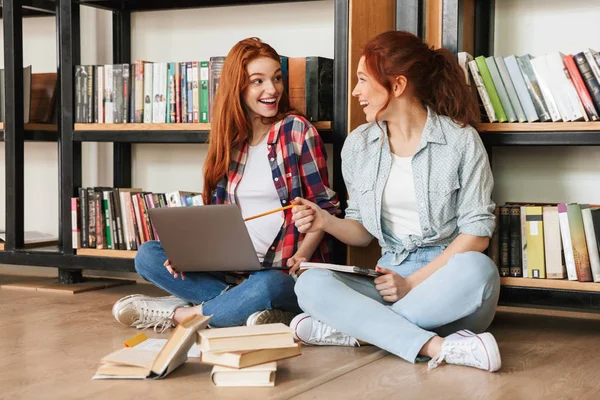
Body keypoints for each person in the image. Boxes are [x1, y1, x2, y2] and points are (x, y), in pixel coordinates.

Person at [289, 31, 501, 372]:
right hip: (388, 278)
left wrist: (412, 284)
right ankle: (438, 345)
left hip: (445, 284)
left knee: (479, 269)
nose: (355, 91)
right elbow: (362, 232)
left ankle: (360, 330)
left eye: (362, 80)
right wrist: (324, 222)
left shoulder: (460, 140)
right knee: (311, 283)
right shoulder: (359, 145)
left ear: (398, 85)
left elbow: (476, 235)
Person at [112, 37, 338, 332]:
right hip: (231, 272)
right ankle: (246, 310)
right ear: (238, 88)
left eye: (276, 78)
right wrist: (188, 256)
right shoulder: (231, 143)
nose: (272, 89)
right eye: (258, 81)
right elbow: (218, 222)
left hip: (283, 272)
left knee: (267, 286)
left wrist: (304, 253)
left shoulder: (296, 131)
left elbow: (325, 207)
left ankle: (179, 314)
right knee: (148, 256)